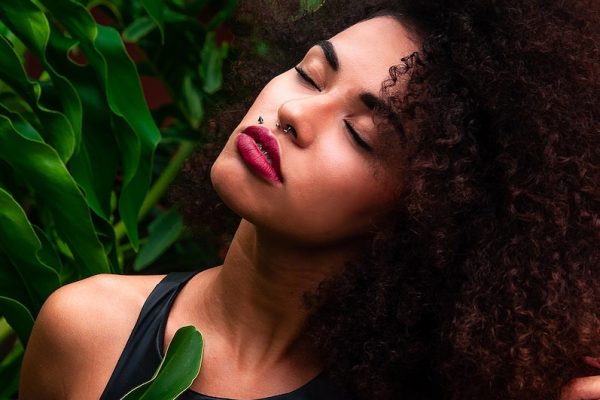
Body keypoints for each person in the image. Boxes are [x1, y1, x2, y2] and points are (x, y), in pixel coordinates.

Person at [18, 0, 600, 399]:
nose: (295, 113)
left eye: (361, 134)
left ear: (432, 207)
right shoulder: (88, 328)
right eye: (310, 73)